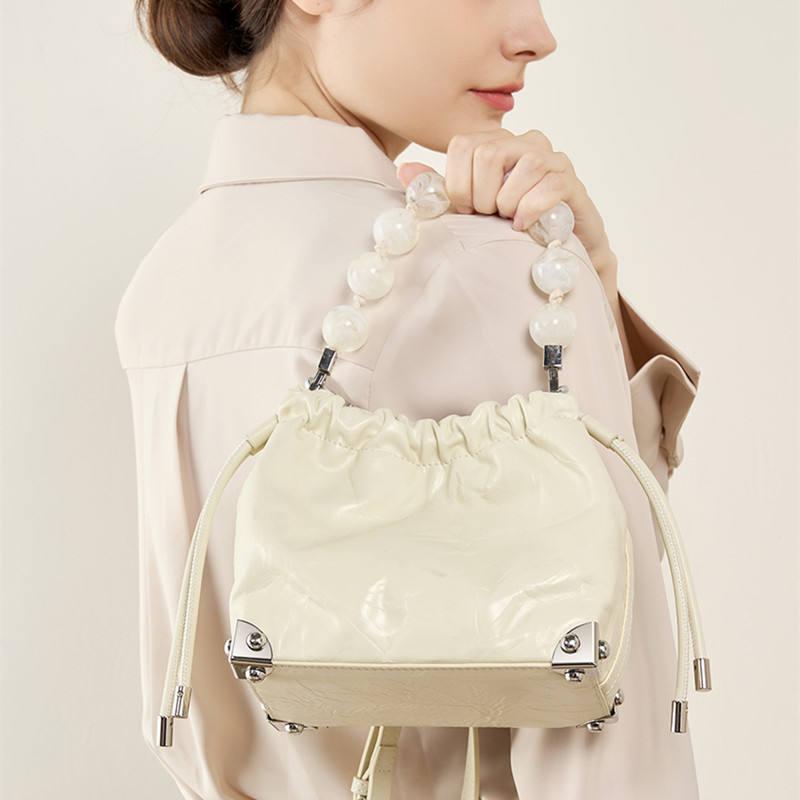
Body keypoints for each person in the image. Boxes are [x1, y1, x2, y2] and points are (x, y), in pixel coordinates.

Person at [114, 1, 703, 797]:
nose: (537, 35)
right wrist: (573, 294)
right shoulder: (482, 272)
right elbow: (608, 728)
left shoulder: (164, 282)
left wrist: (585, 286)